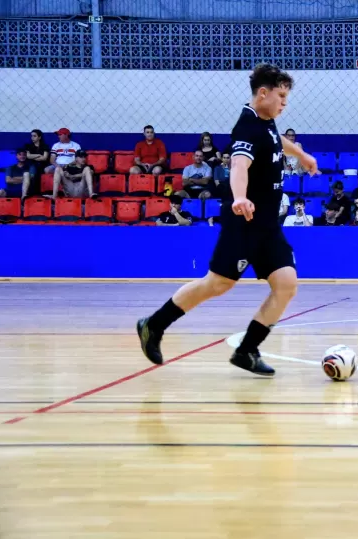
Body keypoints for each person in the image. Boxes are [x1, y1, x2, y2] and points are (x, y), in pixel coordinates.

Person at [136, 64, 318, 378]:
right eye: (281, 96)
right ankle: (154, 325)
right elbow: (239, 166)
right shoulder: (247, 126)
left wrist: (300, 154)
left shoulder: (268, 122)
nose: (285, 103)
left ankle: (247, 350)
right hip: (244, 221)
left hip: (267, 226)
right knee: (217, 284)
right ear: (263, 93)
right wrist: (239, 197)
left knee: (286, 284)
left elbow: (275, 140)